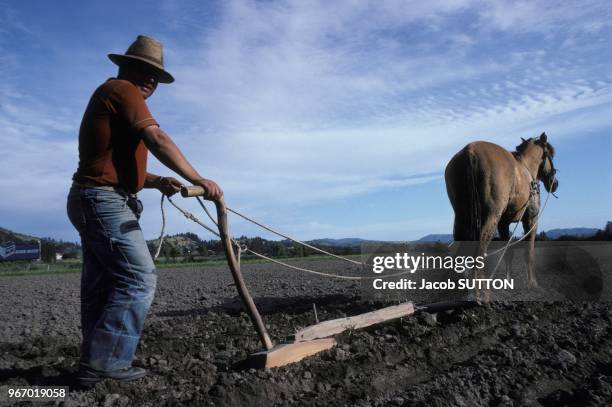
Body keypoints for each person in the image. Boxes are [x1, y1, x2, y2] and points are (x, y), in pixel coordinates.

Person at [67, 35, 222, 386]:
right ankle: (107, 363)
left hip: (94, 197)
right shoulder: (123, 90)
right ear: (126, 66)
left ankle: (94, 363)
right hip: (103, 201)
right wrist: (199, 179)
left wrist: (154, 181)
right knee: (139, 278)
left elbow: (106, 162)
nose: (151, 80)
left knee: (103, 285)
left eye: (156, 76)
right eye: (146, 71)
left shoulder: (112, 95)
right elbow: (157, 139)